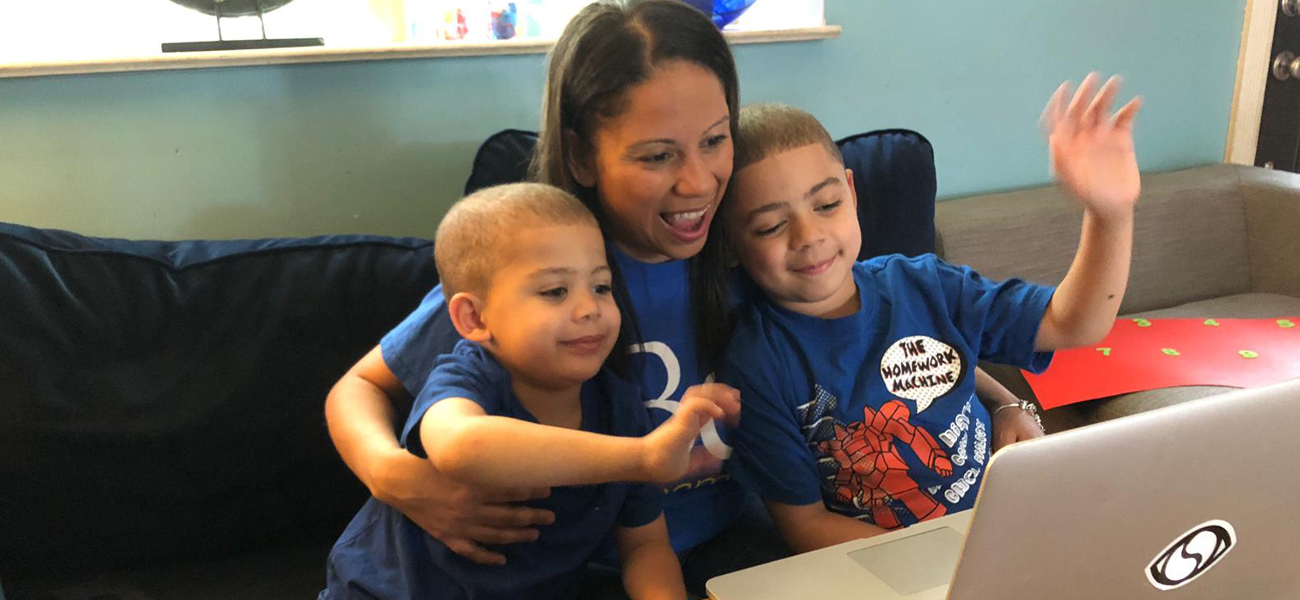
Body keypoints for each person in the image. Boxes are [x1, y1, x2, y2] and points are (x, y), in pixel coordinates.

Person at [323, 0, 1034, 593]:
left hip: (721, 542)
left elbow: (890, 334)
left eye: (715, 141)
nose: (697, 183)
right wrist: (401, 479)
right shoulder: (547, 274)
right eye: (657, 155)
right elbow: (358, 387)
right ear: (580, 156)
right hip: (573, 563)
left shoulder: (758, 245)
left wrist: (1007, 405)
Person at [720, 76, 1142, 553]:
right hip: (887, 565)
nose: (808, 235)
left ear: (852, 193)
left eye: (827, 204)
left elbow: (1076, 323)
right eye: (772, 225)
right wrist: (948, 557)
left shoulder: (926, 285)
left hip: (1006, 524)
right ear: (731, 243)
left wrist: (1110, 213)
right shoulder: (755, 362)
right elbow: (806, 527)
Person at [321, 183, 741, 600]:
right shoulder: (469, 376)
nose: (589, 308)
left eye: (601, 287)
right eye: (555, 291)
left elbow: (645, 546)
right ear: (474, 318)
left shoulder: (619, 404)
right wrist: (644, 457)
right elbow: (460, 445)